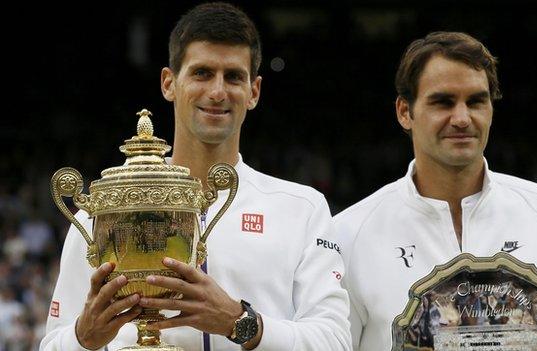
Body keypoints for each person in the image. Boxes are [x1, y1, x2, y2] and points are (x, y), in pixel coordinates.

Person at [41, 3, 350, 350]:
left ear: (254, 91)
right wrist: (83, 338)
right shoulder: (105, 210)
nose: (218, 92)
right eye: (202, 73)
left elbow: (335, 341)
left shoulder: (302, 210)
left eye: (233, 76)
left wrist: (239, 322)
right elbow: (52, 344)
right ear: (169, 83)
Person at [334, 31, 537, 350]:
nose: (462, 118)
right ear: (404, 112)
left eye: (476, 101)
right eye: (443, 102)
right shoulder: (349, 233)